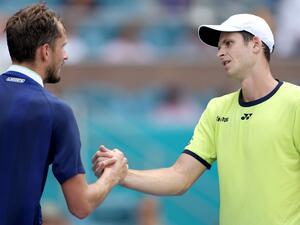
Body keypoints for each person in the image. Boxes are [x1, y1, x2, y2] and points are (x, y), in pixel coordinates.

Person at [93, 13, 300, 225]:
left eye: (229, 43)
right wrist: (120, 175)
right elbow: (180, 177)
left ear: (255, 44)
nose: (220, 52)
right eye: (219, 47)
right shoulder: (217, 109)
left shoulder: (296, 102)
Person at [0, 3, 128, 225]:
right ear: (46, 51)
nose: (66, 55)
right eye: (63, 46)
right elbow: (81, 205)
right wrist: (112, 176)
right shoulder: (57, 111)